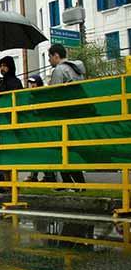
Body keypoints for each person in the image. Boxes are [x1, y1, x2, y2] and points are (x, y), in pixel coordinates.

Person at [48, 44, 86, 190]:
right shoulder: (77, 70)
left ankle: (75, 184)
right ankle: (74, 184)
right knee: (69, 151)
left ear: (56, 55)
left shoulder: (59, 70)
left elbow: (54, 95)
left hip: (64, 116)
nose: (50, 61)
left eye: (50, 57)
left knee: (63, 151)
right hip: (78, 115)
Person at [0, 56, 23, 185]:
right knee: (1, 150)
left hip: (11, 122)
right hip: (0, 122)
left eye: (4, 65)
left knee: (11, 151)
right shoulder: (0, 83)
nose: (2, 68)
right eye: (0, 65)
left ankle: (10, 181)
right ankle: (3, 179)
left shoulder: (16, 82)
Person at [23, 75, 57, 183]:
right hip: (35, 127)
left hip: (44, 128)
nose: (32, 85)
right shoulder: (31, 96)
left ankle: (49, 176)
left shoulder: (43, 94)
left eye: (34, 83)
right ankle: (35, 175)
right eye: (30, 83)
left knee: (43, 152)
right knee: (36, 152)